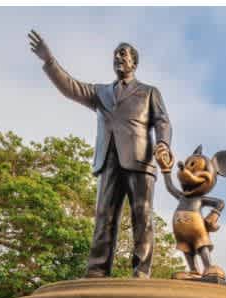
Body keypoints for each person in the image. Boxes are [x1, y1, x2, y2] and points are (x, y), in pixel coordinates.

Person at [28, 30, 172, 278]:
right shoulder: (100, 92)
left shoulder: (149, 92)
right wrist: (49, 60)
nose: (118, 57)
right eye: (115, 54)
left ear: (133, 63)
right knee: (104, 216)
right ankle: (96, 270)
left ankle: (141, 272)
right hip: (108, 160)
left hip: (140, 160)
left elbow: (163, 122)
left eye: (123, 54)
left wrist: (164, 144)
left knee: (142, 215)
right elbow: (70, 87)